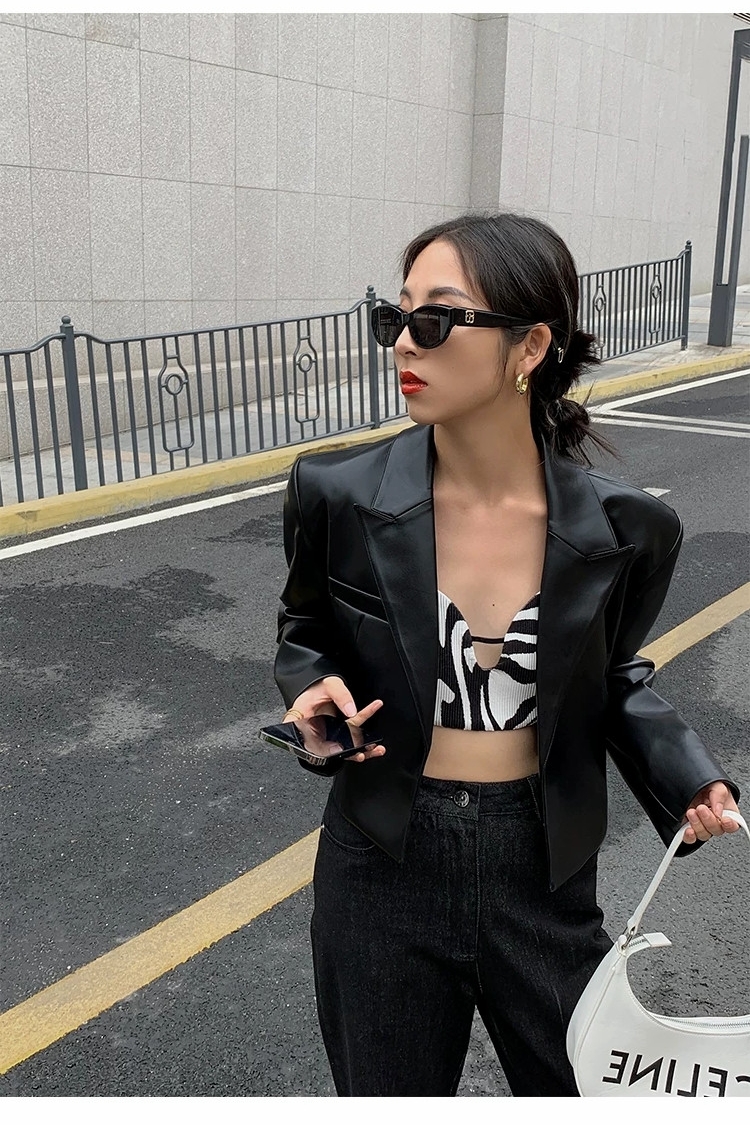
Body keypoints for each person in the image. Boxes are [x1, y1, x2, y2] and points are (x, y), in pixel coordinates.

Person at [273, 212, 740, 1097]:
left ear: (529, 345)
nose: (403, 341)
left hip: (543, 864)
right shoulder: (336, 492)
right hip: (381, 860)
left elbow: (609, 673)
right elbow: (305, 629)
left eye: (435, 319)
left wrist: (688, 775)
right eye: (395, 316)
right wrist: (312, 694)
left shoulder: (628, 527)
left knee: (577, 1092)